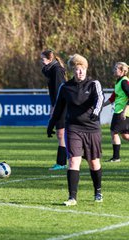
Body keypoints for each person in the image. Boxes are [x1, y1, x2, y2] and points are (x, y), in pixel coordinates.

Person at [47, 54, 104, 206]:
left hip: (92, 128)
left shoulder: (94, 84)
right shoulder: (65, 87)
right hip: (73, 128)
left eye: (82, 69)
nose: (80, 72)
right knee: (73, 161)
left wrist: (96, 112)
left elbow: (100, 99)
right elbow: (58, 107)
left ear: (86, 69)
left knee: (94, 162)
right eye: (77, 70)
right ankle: (72, 197)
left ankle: (98, 191)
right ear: (73, 70)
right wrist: (51, 124)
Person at [41, 49, 67, 171]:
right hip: (60, 104)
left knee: (61, 133)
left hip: (62, 105)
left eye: (43, 59)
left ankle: (61, 163)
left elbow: (59, 91)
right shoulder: (53, 70)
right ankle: (63, 162)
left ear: (50, 59)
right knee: (61, 133)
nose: (42, 61)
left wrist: (54, 107)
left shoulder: (56, 71)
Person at [103, 62, 129, 162]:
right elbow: (112, 98)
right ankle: (116, 157)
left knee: (114, 132)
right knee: (125, 135)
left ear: (122, 71)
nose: (114, 70)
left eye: (116, 68)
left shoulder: (124, 82)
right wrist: (101, 106)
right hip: (121, 111)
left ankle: (116, 157)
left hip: (122, 112)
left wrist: (124, 111)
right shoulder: (118, 82)